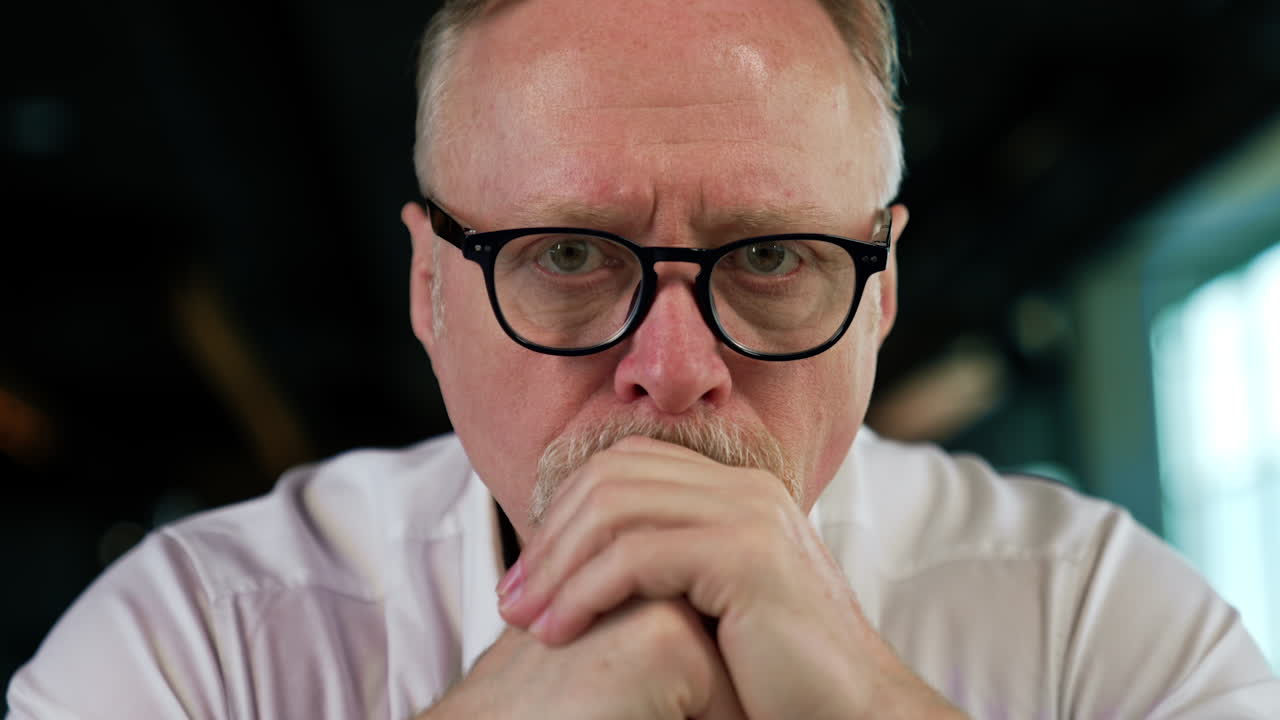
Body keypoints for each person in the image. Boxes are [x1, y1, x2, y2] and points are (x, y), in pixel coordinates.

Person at [8, 0, 1280, 717]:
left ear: (880, 289)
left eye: (774, 259)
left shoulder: (1097, 625)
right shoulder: (195, 646)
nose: (673, 372)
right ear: (428, 289)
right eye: (566, 255)